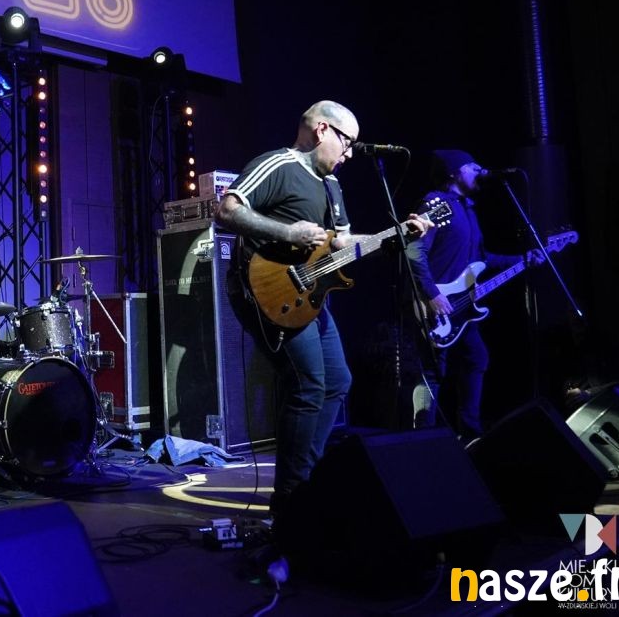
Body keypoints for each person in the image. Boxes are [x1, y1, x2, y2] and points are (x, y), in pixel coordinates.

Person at [213, 100, 432, 524]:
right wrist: (288, 231)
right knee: (308, 384)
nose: (350, 153)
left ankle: (306, 481)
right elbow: (227, 210)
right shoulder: (278, 165)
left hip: (311, 296)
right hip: (267, 291)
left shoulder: (332, 186)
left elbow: (343, 245)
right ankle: (290, 500)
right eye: (347, 142)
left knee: (338, 381)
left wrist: (398, 235)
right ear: (322, 130)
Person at [405, 149, 541, 444]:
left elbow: (481, 259)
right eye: (473, 166)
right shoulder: (436, 203)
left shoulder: (468, 209)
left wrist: (522, 259)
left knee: (476, 358)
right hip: (436, 306)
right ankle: (422, 441)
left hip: (462, 306)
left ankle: (470, 434)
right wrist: (431, 294)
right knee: (433, 371)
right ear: (454, 172)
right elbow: (414, 251)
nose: (480, 170)